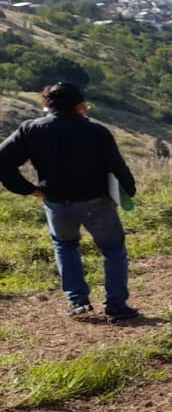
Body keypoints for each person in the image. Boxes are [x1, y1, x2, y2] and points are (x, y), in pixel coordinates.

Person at [0, 82, 139, 320]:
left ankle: (78, 303)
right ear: (80, 107)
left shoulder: (30, 129)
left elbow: (2, 160)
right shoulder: (97, 132)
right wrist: (129, 190)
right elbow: (117, 166)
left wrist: (28, 189)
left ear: (46, 105)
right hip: (96, 202)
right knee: (114, 250)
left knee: (65, 247)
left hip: (56, 202)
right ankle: (116, 305)